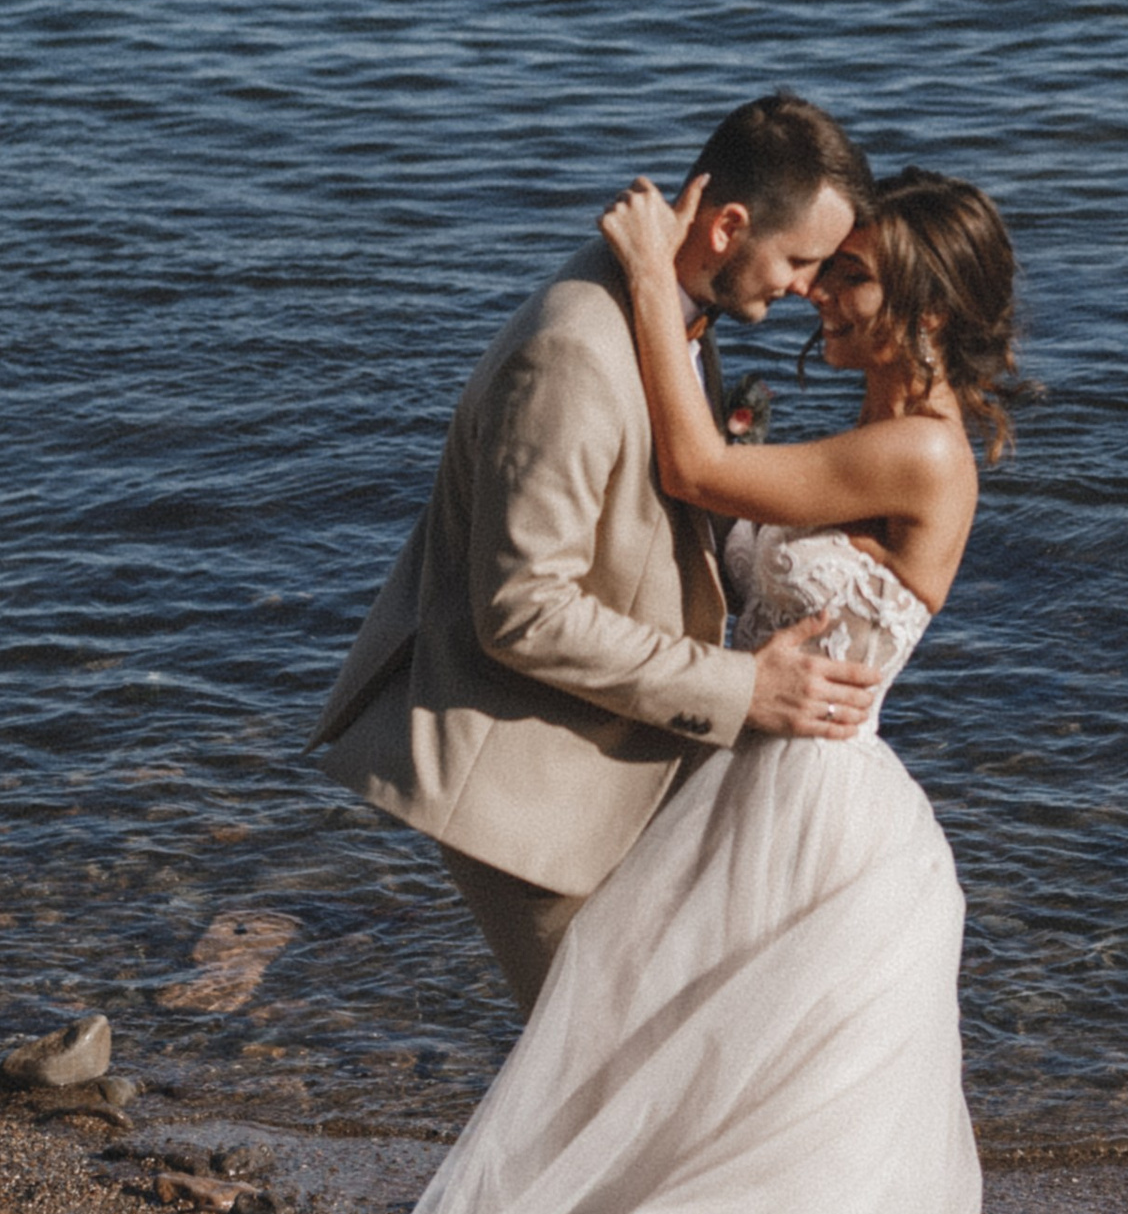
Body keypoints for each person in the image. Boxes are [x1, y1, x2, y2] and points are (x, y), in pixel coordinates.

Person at [262, 160, 1057, 1214]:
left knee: (766, 1190)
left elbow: (695, 461)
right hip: (741, 820)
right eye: (821, 272)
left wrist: (644, 277)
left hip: (831, 847)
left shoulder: (919, 444)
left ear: (912, 305)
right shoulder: (876, 427)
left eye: (854, 283)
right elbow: (709, 503)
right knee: (673, 1150)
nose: (826, 296)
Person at [304, 92, 882, 1012]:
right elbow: (523, 611)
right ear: (729, 227)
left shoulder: (665, 315)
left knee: (656, 1076)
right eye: (802, 260)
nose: (810, 289)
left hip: (608, 758)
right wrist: (744, 690)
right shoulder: (575, 349)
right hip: (530, 795)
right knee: (605, 1089)